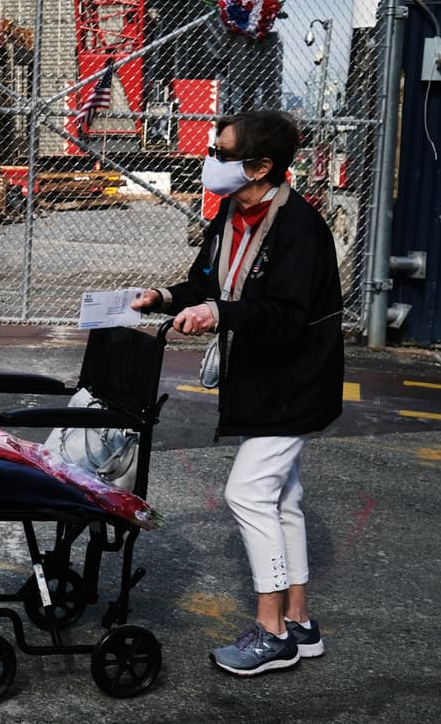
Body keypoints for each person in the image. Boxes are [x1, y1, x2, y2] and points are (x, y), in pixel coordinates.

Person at [131, 110, 343, 677]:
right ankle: (299, 620)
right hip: (265, 380)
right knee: (283, 499)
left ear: (261, 166)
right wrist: (165, 295)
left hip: (295, 383)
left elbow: (284, 316)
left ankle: (272, 631)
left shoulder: (298, 228)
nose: (212, 160)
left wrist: (218, 311)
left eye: (222, 152)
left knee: (248, 493)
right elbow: (207, 279)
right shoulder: (232, 211)